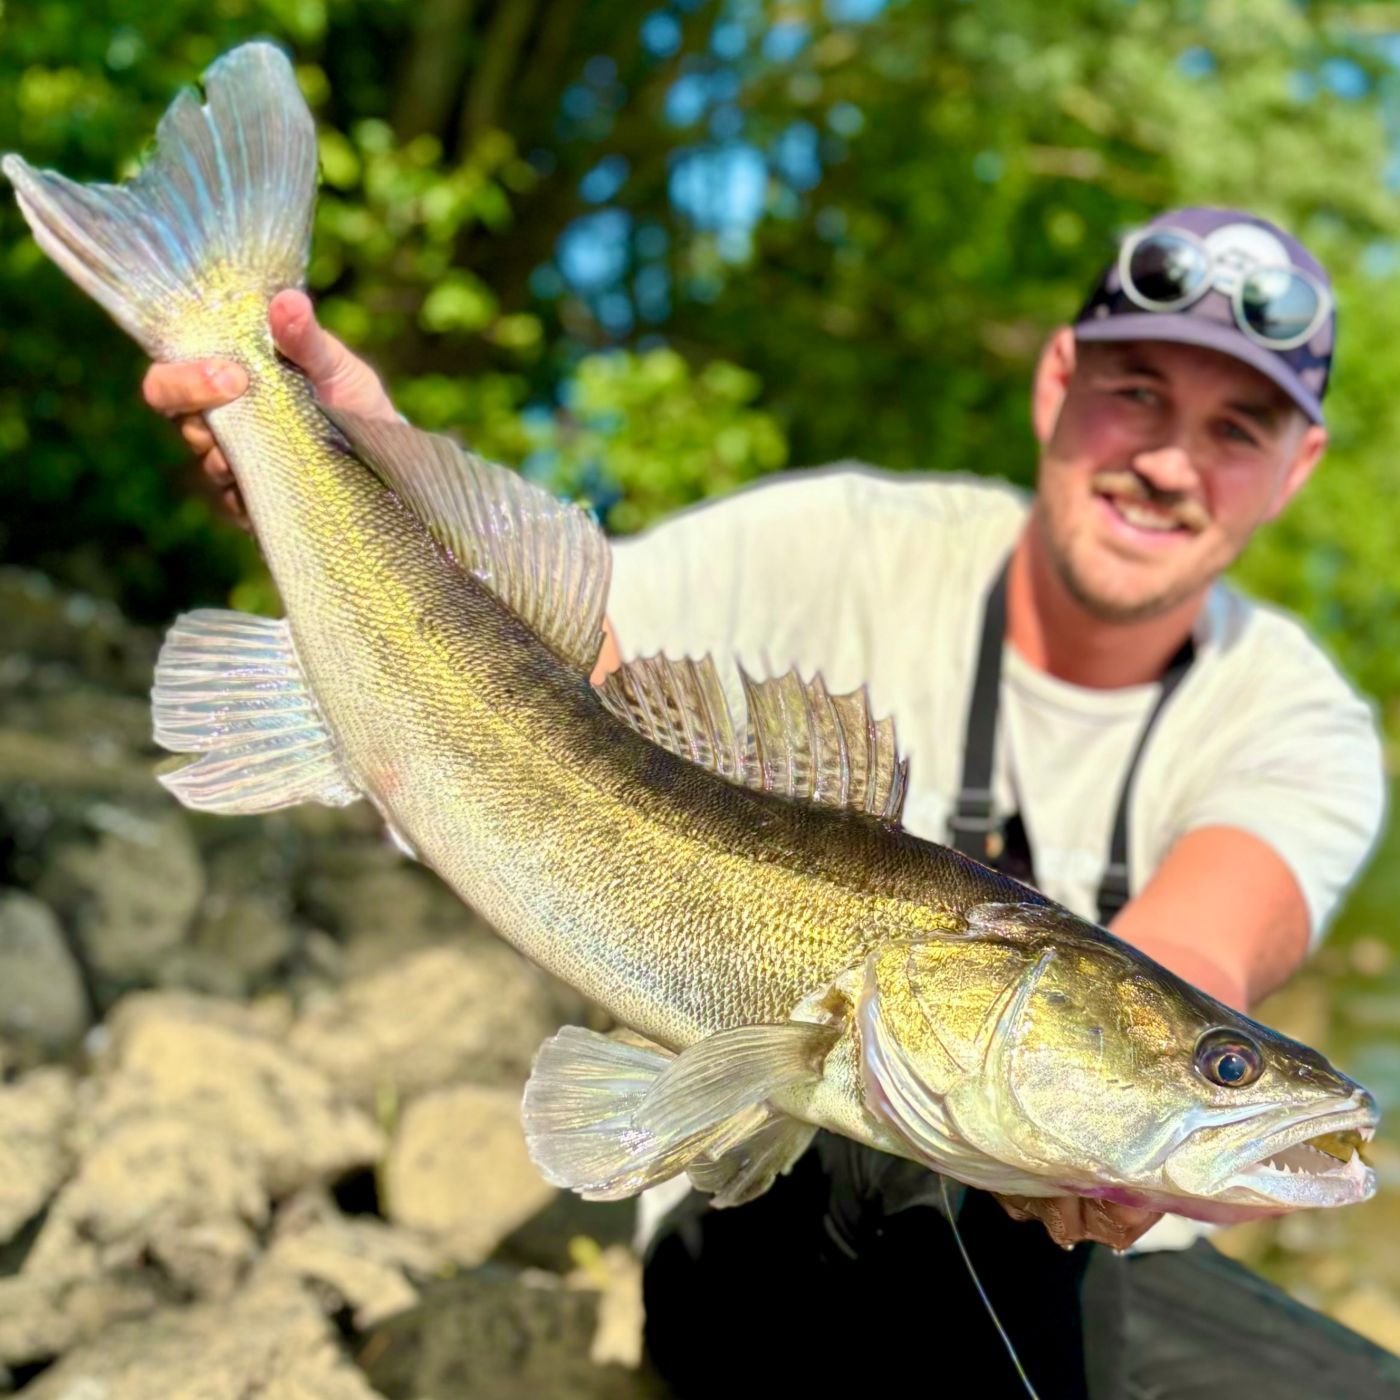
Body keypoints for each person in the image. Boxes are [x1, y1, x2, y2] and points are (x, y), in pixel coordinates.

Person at [143, 208, 1397, 1397]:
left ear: (1296, 470)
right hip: (761, 1219)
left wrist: (1129, 1127)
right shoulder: (843, 542)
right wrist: (369, 460)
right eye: (1136, 393)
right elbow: (566, 666)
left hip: (1114, 1266)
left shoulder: (1292, 714)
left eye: (1238, 429)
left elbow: (1184, 955)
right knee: (903, 1235)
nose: (1171, 461)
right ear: (1056, 378)